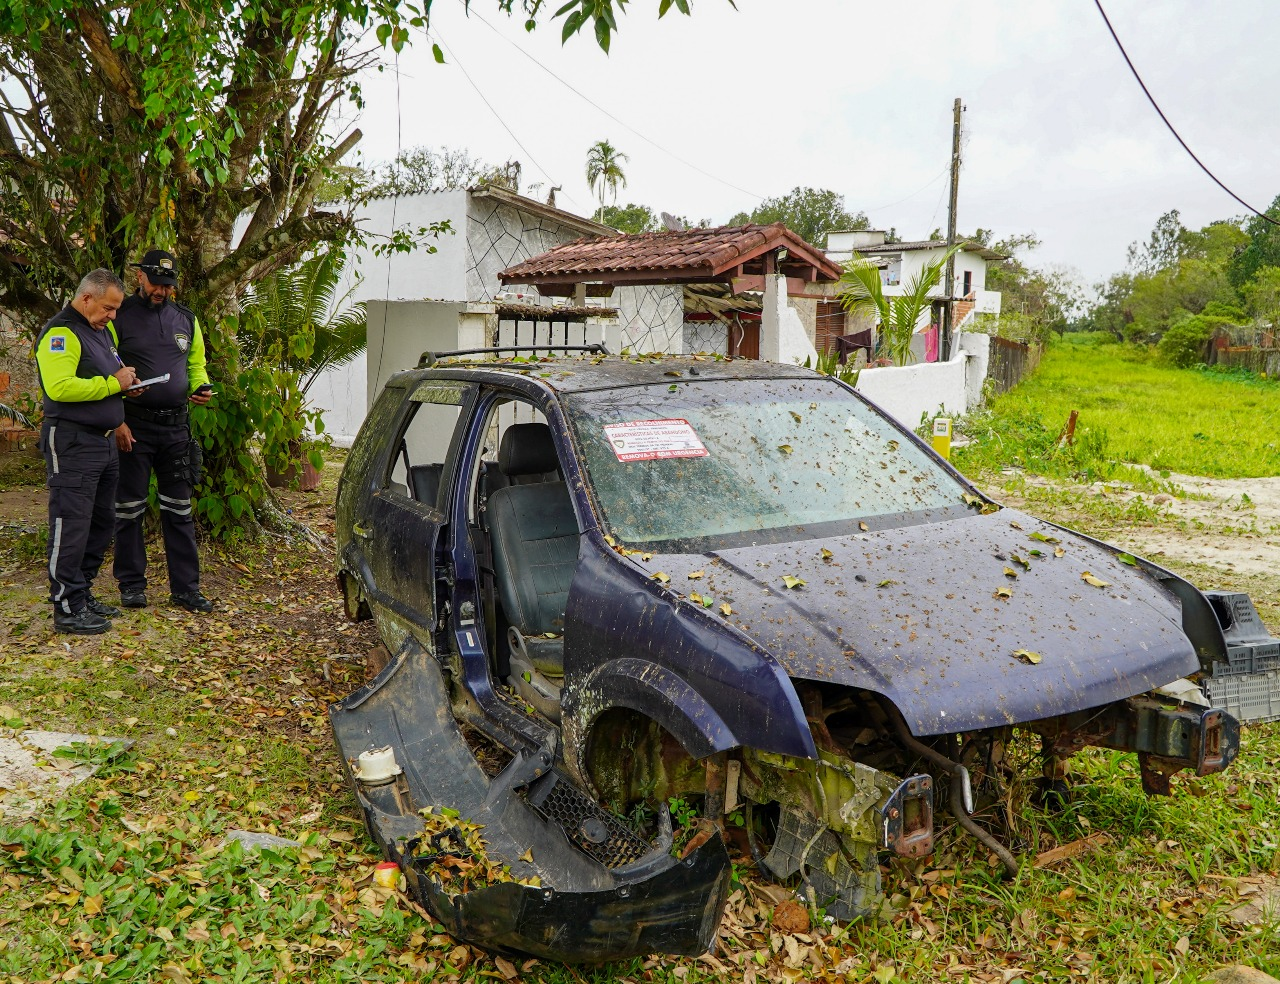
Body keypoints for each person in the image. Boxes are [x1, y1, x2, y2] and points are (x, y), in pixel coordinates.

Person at [34, 269, 139, 635]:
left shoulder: (100, 332)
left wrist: (127, 385)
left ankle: (82, 593)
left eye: (116, 309)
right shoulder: (62, 332)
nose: (113, 315)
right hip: (72, 441)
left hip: (104, 441)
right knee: (72, 522)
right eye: (108, 308)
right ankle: (66, 607)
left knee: (101, 521)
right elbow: (60, 387)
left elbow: (107, 378)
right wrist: (113, 383)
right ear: (86, 298)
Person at [111, 249, 215, 614]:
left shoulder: (186, 318)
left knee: (179, 509)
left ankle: (186, 589)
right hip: (134, 426)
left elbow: (196, 364)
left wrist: (199, 386)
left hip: (176, 429)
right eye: (156, 283)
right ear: (140, 277)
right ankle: (131, 585)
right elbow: (104, 366)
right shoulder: (118, 316)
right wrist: (118, 412)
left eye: (168, 286)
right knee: (129, 509)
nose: (162, 291)